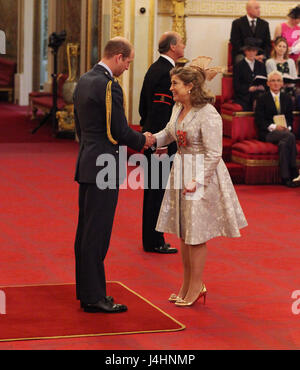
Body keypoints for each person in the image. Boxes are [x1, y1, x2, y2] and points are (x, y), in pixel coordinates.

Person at [151, 62, 248, 307]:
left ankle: (196, 286)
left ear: (190, 86)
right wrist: (151, 140)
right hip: (181, 169)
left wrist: (197, 180)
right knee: (185, 233)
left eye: (175, 83)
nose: (170, 87)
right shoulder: (178, 107)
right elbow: (169, 133)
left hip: (201, 174)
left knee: (196, 235)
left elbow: (215, 153)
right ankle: (187, 285)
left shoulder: (208, 113)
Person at [73, 37, 155, 313]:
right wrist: (143, 139)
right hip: (104, 166)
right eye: (129, 61)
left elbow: (79, 127)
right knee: (97, 234)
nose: (128, 67)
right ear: (118, 57)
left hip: (87, 161)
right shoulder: (109, 85)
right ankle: (95, 297)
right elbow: (118, 130)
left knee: (85, 232)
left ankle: (87, 291)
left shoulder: (84, 79)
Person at [139, 31, 185, 254]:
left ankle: (153, 238)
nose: (184, 45)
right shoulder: (166, 72)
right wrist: (161, 143)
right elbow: (159, 111)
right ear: (173, 46)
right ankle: (154, 241)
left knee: (154, 192)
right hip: (160, 142)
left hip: (154, 138)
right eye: (182, 42)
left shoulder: (154, 68)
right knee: (156, 193)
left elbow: (143, 107)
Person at [255, 70, 300, 188]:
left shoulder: (287, 98)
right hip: (268, 133)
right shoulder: (262, 98)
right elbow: (260, 120)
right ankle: (294, 171)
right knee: (290, 136)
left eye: (278, 81)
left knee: (284, 143)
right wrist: (275, 127)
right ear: (268, 83)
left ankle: (285, 178)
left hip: (284, 133)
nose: (276, 83)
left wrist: (287, 127)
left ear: (282, 83)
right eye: (273, 81)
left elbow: (290, 118)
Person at [230, 0, 271, 64]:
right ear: (248, 9)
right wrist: (250, 55)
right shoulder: (237, 23)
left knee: (269, 61)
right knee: (240, 60)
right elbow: (235, 43)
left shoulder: (264, 24)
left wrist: (262, 55)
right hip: (243, 54)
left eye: (259, 8)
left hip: (260, 55)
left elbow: (267, 44)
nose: (259, 10)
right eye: (256, 8)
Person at [233, 41, 267, 111]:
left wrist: (262, 87)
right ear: (245, 51)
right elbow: (236, 85)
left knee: (263, 98)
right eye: (249, 50)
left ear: (256, 52)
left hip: (259, 93)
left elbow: (265, 81)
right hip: (244, 95)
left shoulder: (261, 65)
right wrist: (248, 88)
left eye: (253, 50)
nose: (251, 53)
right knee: (256, 100)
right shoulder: (238, 66)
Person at [266, 37, 298, 107]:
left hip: (290, 87)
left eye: (284, 47)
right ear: (275, 47)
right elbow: (271, 78)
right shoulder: (270, 62)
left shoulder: (291, 61)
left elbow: (294, 77)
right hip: (277, 88)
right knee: (285, 95)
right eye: (279, 46)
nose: (282, 48)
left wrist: (290, 84)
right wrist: (281, 84)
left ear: (286, 49)